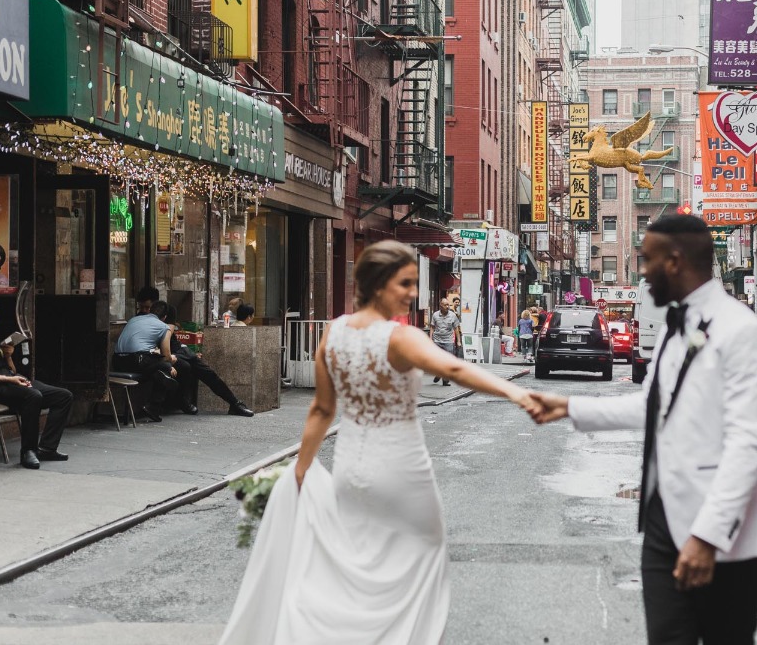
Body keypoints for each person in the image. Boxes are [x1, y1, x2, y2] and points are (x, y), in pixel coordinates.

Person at [217, 241, 543, 644]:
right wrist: (517, 394)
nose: (412, 293)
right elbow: (454, 366)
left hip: (351, 471)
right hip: (401, 471)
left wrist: (300, 472)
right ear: (377, 284)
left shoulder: (333, 334)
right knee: (423, 563)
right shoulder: (397, 337)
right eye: (404, 284)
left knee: (358, 571)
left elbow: (321, 410)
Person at [531, 215, 757, 645]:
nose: (641, 271)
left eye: (646, 260)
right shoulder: (675, 325)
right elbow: (653, 406)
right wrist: (570, 407)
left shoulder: (742, 331)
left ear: (674, 261)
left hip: (726, 531)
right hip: (663, 519)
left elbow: (748, 443)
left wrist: (706, 537)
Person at [0, 301, 73, 469]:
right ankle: (28, 452)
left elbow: (11, 370)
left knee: (63, 396)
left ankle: (47, 448)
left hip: (10, 381)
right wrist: (10, 380)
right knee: (33, 396)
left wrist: (8, 356)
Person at [158, 306, 255, 417]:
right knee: (186, 367)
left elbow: (168, 335)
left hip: (178, 351)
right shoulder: (146, 319)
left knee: (208, 373)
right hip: (169, 353)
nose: (145, 310)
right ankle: (183, 402)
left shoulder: (167, 310)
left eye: (147, 307)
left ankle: (234, 403)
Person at [113, 299, 185, 422]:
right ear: (165, 317)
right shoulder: (164, 327)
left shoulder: (133, 319)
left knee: (159, 372)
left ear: (149, 310)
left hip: (117, 361)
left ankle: (162, 380)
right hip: (137, 361)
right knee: (167, 367)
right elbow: (166, 353)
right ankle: (153, 407)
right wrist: (170, 362)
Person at [428, 296, 461, 387]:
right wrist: (430, 339)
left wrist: (458, 341)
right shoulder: (435, 315)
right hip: (437, 340)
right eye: (445, 305)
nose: (448, 306)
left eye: (448, 304)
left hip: (448, 341)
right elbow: (432, 327)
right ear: (441, 306)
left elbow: (456, 329)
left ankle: (445, 380)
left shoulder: (452, 315)